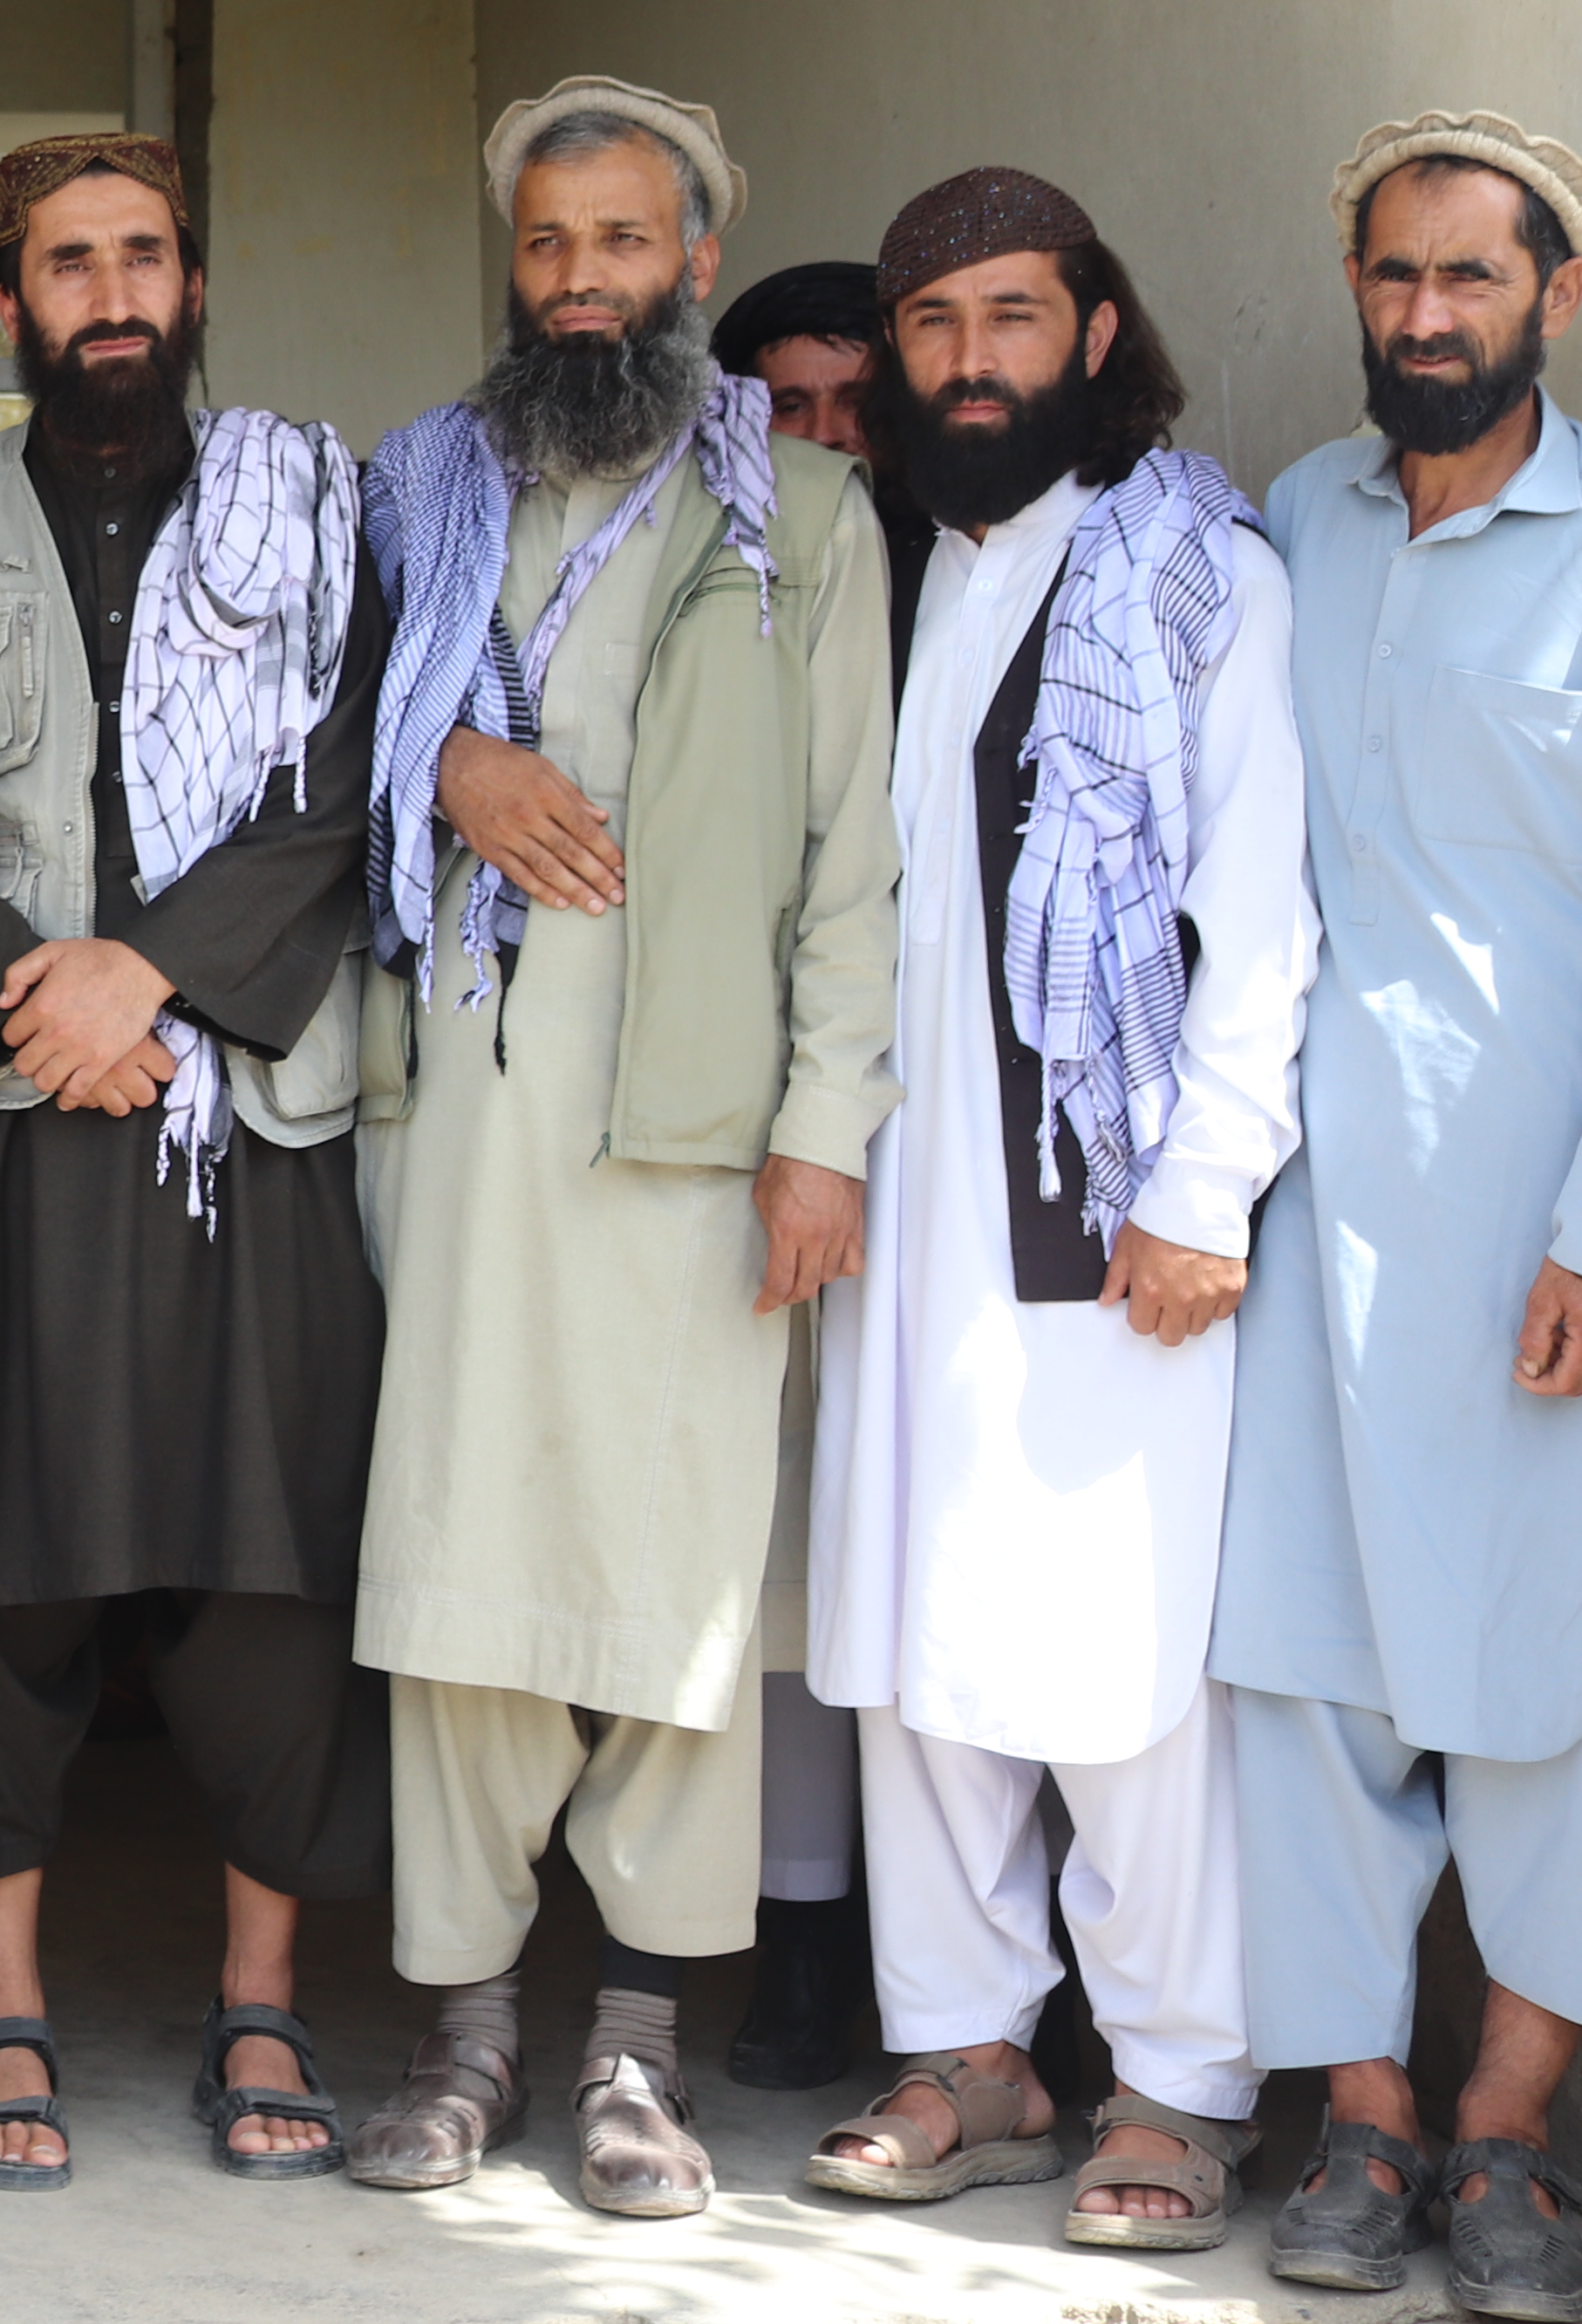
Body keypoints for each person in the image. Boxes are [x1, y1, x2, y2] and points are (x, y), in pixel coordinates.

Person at [1220, 114, 1582, 2320]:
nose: (1426, 314)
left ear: (1560, 290)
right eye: (1393, 275)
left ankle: (1510, 2137)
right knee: (1306, 1678)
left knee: (1560, 1692)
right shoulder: (1296, 522)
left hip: (1552, 1234)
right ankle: (1363, 2116)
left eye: (1470, 275)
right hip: (1306, 1213)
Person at [343, 76, 894, 2222]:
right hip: (463, 1115)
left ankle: (638, 2054)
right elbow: (334, 742)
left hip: (698, 1130)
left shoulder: (811, 526)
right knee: (464, 1575)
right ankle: (469, 2032)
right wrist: (451, 755)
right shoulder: (422, 490)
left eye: (625, 245)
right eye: (548, 245)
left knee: (672, 1583)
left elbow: (860, 864)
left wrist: (824, 1133)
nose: (582, 286)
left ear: (695, 262)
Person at [795, 169, 1313, 2256]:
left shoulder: (1196, 567)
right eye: (935, 328)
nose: (972, 357)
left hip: (1107, 1217)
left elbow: (1263, 912)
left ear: (1094, 331)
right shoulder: (916, 567)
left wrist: (1202, 1191)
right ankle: (973, 2048)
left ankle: (1182, 2080)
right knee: (920, 1644)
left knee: (1121, 1664)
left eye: (1013, 315)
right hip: (912, 1204)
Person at [0, 133, 388, 2191]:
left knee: (267, 1580)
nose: (110, 292)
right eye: (67, 260)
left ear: (194, 285)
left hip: (238, 1107)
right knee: (8, 1582)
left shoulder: (316, 512)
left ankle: (259, 1996)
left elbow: (343, 783)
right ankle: (3, 2003)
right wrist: (43, 1002)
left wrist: (153, 978)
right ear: (9, 295)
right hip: (11, 1109)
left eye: (143, 256)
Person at [706, 253, 915, 2092]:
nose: (829, 443)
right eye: (791, 408)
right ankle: (798, 1933)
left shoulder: (993, 569)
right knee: (786, 1556)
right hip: (791, 1121)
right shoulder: (723, 585)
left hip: (986, 1145)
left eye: (863, 408)